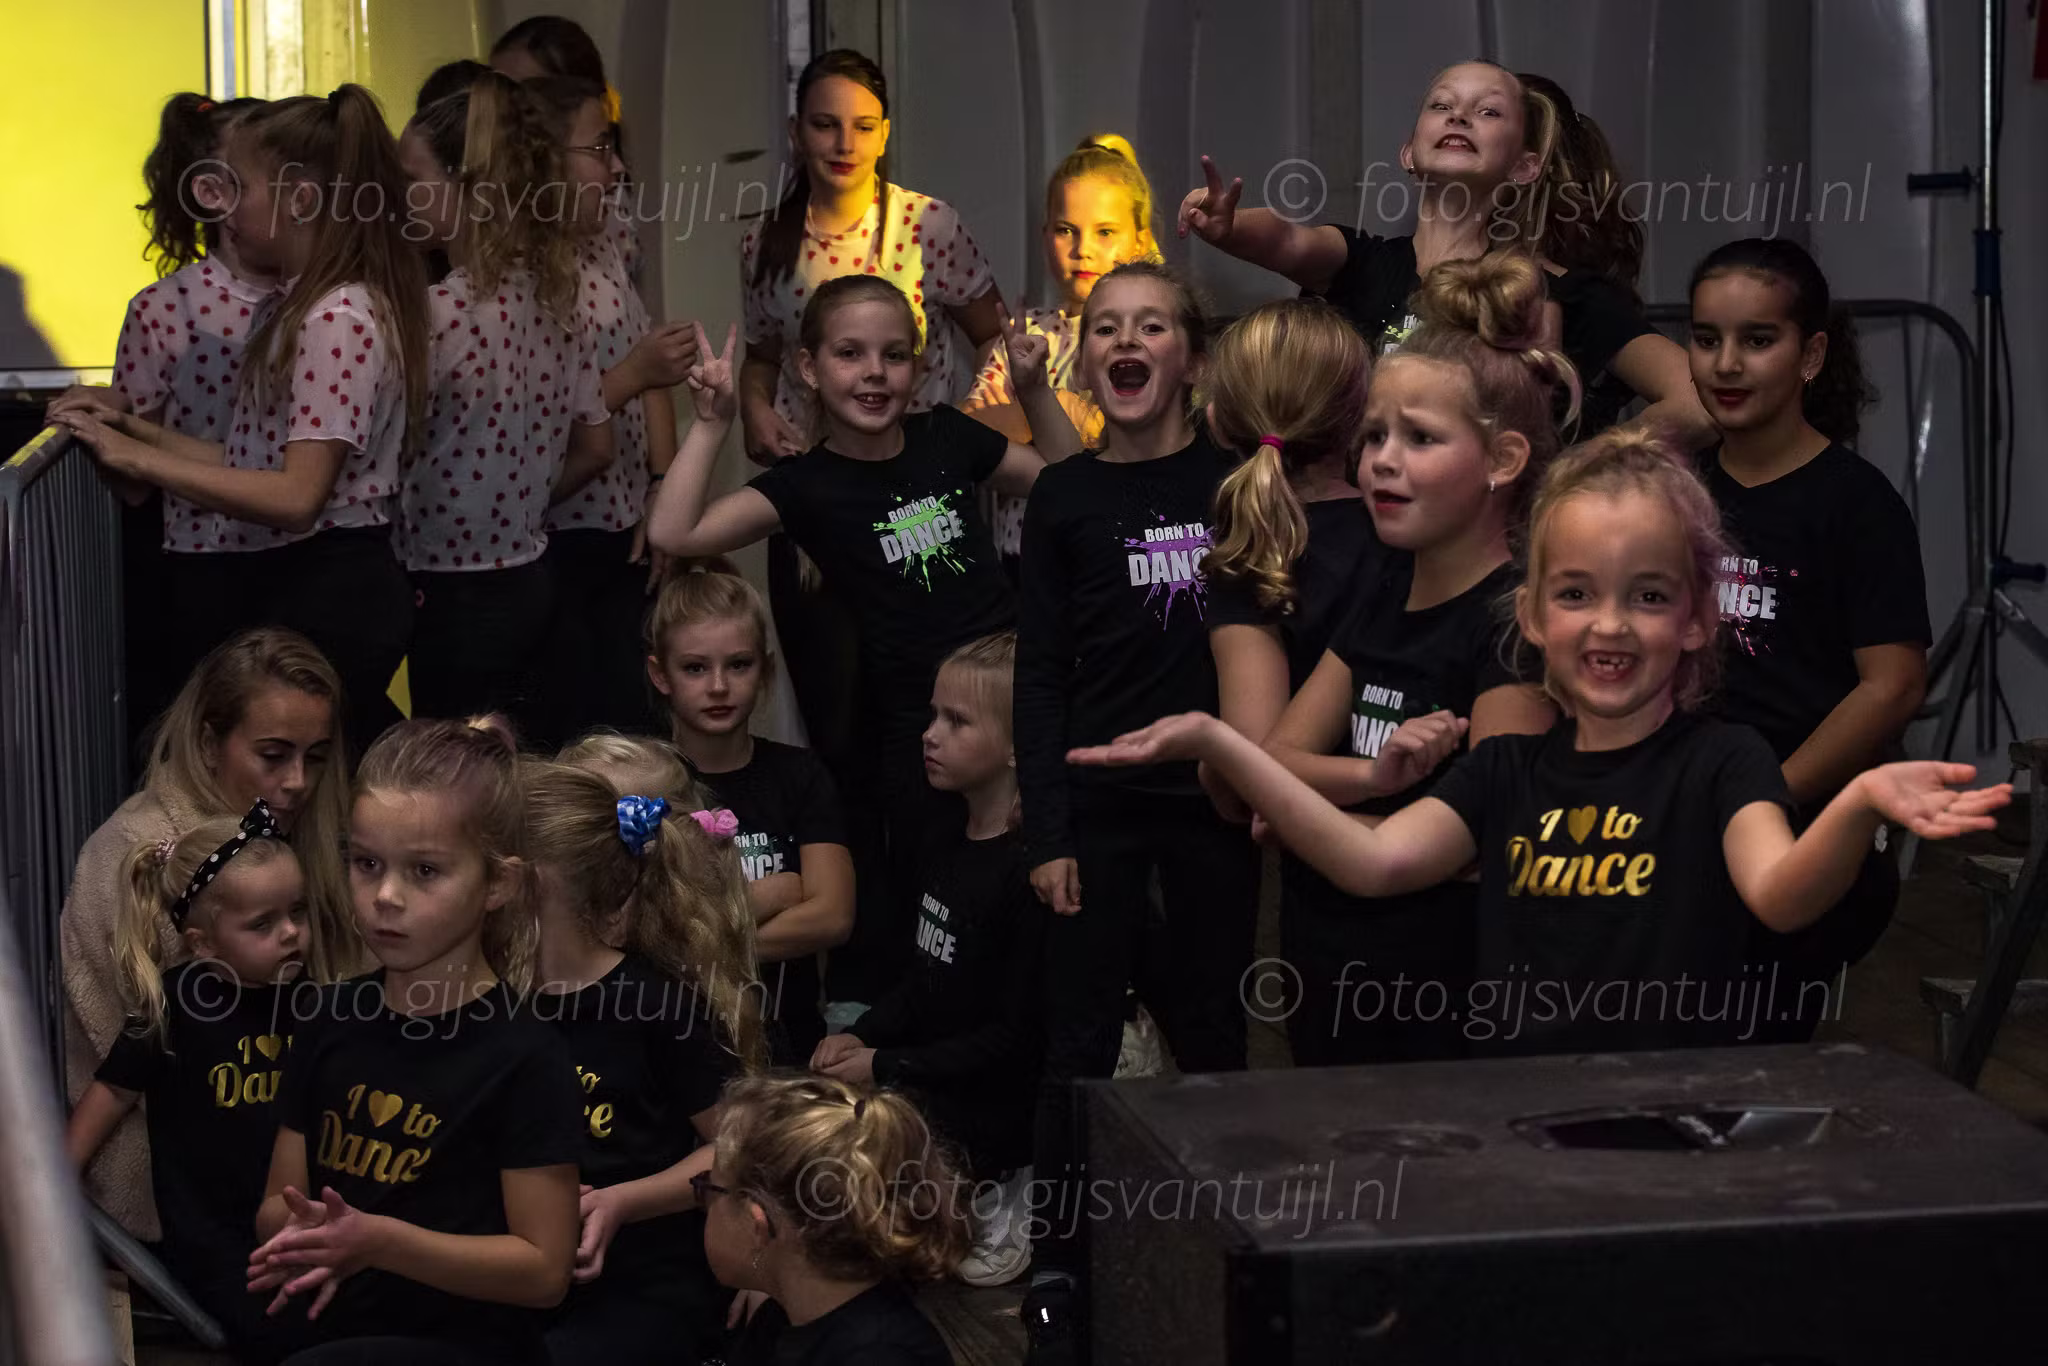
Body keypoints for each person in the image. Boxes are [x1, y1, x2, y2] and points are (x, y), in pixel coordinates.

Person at [1070, 427, 2009, 1061]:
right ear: (1532, 618)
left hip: (1678, 1116)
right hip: (1522, 1120)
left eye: (1649, 596)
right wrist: (1220, 743)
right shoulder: (1505, 771)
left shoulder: (1726, 763)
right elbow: (1371, 860)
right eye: (1576, 594)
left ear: (1696, 620)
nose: (1610, 625)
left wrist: (1856, 803)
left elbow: (1782, 892)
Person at [646, 281, 1078, 1008]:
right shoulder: (808, 485)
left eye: (894, 355)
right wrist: (713, 423)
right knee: (939, 898)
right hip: (919, 732)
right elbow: (674, 531)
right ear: (809, 368)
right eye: (850, 354)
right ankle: (933, 1033)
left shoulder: (947, 436)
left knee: (1036, 874)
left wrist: (1034, 391)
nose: (874, 372)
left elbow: (1068, 485)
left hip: (1014, 702)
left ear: (918, 367)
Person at [1011, 262, 1259, 1356]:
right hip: (1096, 808)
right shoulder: (1063, 496)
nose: (1126, 341)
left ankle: (1226, 1245)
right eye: (1105, 326)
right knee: (1076, 1043)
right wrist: (1047, 829)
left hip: (1210, 808)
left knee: (1211, 1030)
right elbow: (1038, 675)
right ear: (1084, 359)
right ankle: (1060, 1268)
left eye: (1151, 325)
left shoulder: (1237, 485)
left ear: (1190, 358)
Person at [53, 86, 432, 754]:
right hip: (317, 579)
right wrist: (128, 431)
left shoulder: (335, 318)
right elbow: (253, 459)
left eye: (243, 186)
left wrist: (139, 459)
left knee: (310, 781)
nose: (228, 206)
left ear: (300, 200)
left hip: (335, 585)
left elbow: (296, 495)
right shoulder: (306, 307)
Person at [1259, 254, 1565, 1065]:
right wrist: (1372, 780)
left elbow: (1484, 840)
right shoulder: (1385, 586)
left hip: (1438, 994)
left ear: (1503, 461)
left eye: (1420, 438)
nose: (1381, 461)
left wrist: (1312, 821)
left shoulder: (1512, 625)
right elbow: (1274, 764)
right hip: (1329, 964)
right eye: (1373, 437)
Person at [247, 718, 582, 1365]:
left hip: (465, 1346)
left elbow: (544, 1271)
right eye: (366, 864)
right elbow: (273, 1206)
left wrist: (379, 1243)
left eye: (425, 871)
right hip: (330, 1329)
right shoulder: (327, 1015)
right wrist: (308, 1234)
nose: (386, 896)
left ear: (498, 884)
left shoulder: (526, 1055)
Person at [737, 48, 1005, 849]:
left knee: (940, 714)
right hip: (820, 507)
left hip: (922, 509)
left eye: (861, 125)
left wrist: (957, 436)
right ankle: (853, 898)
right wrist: (753, 410)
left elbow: (997, 337)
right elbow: (762, 357)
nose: (843, 143)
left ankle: (949, 885)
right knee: (839, 720)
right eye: (825, 125)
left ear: (885, 133)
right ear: (797, 132)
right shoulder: (766, 241)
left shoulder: (929, 224)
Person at [1178, 62, 1711, 445]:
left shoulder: (1558, 292)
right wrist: (1226, 229)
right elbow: (1287, 239)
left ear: (1524, 166)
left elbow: (1697, 400)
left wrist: (1586, 465)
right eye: (1441, 105)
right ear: (1409, 153)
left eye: (1488, 111)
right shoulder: (1362, 262)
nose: (1459, 116)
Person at [1687, 237, 1931, 1034]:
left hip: (1800, 824)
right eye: (1706, 338)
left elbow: (1893, 685)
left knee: (1743, 1045)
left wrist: (1766, 797)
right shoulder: (1675, 491)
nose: (1726, 364)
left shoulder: (1857, 504)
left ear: (1812, 355)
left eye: (1758, 340)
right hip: (1679, 808)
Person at [59, 627, 350, 1243]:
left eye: (317, 756)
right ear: (210, 744)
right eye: (274, 756)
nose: (298, 781)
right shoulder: (134, 852)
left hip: (287, 1187)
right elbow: (129, 1079)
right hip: (178, 1208)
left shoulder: (302, 840)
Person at [811, 632, 1043, 1289]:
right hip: (933, 1072)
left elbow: (1016, 1040)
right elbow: (924, 981)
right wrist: (863, 1034)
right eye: (932, 714)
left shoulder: (1028, 873)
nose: (929, 734)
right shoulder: (943, 836)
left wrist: (884, 1064)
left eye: (957, 721)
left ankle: (1015, 1183)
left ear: (1018, 744)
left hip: (998, 1100)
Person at [518, 761, 763, 1365]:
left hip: (646, 1275)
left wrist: (621, 1201)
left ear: (530, 888)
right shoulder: (496, 1000)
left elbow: (740, 1147)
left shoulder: (653, 1004)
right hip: (530, 1270)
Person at [50, 92, 277, 743]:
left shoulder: (166, 307)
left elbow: (135, 482)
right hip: (240, 560)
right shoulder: (169, 308)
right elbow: (136, 478)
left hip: (225, 558)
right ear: (215, 193)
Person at [396, 70, 613, 733]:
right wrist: (516, 500)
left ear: (465, 187)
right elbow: (596, 447)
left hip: (451, 588)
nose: (399, 197)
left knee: (451, 769)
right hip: (531, 577)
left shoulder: (435, 315)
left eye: (411, 178)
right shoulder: (556, 301)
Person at [66, 807, 316, 1357]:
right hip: (215, 1242)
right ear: (203, 944)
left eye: (298, 911)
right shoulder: (176, 1007)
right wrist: (57, 1178)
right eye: (263, 924)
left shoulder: (312, 999)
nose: (291, 933)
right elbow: (113, 1090)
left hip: (299, 1223)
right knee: (285, 1336)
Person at [521, 72, 696, 743]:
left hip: (622, 524)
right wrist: (632, 373)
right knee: (570, 736)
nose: (617, 167)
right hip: (556, 535)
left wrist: (662, 486)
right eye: (599, 149)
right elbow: (533, 433)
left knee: (634, 734)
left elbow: (651, 372)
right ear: (546, 162)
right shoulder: (520, 277)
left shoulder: (605, 245)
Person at [645, 563, 854, 1065]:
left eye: (738, 665)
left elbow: (832, 917)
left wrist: (694, 945)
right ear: (660, 675)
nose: (719, 686)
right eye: (695, 668)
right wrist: (775, 894)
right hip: (671, 1047)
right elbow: (637, 930)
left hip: (788, 1042)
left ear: (766, 670)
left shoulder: (800, 775)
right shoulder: (641, 783)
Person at [963, 133, 1158, 571]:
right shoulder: (1024, 333)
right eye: (1066, 230)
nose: (1082, 249)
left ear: (1140, 239)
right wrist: (1063, 412)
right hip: (1025, 558)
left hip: (1122, 556)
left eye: (1105, 232)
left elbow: (1131, 447)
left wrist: (1023, 419)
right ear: (1045, 235)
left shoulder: (1152, 337)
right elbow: (969, 436)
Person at [702, 1075, 964, 1366]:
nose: (704, 1204)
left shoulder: (878, 1356)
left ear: (757, 1225)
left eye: (707, 1189)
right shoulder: (782, 1318)